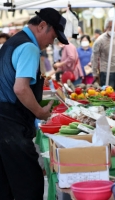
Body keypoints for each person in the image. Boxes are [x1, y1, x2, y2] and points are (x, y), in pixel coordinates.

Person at [0, 8, 68, 199]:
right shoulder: (29, 47)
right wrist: (40, 112)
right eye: (53, 37)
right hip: (10, 124)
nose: (50, 44)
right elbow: (20, 88)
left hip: (4, 122)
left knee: (5, 187)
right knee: (29, 186)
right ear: (42, 26)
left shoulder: (14, 41)